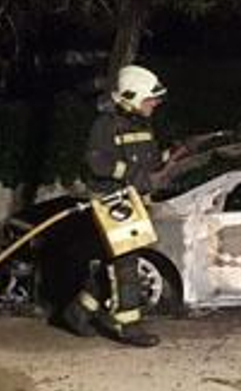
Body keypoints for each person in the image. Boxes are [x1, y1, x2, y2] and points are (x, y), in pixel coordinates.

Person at [61, 64, 169, 347]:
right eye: (149, 99)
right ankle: (127, 324)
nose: (155, 103)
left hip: (132, 201)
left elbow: (149, 161)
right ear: (131, 97)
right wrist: (132, 175)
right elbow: (96, 162)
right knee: (126, 261)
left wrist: (164, 165)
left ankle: (79, 311)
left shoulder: (142, 123)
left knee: (114, 259)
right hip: (112, 201)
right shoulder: (105, 124)